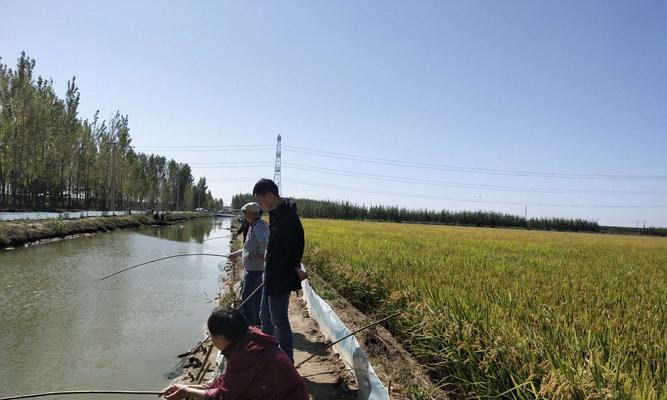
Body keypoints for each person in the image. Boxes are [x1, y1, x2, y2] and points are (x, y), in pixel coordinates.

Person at [161, 308, 308, 400]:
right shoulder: (247, 339)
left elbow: (222, 396)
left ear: (221, 338)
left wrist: (188, 391)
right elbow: (222, 384)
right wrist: (185, 387)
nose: (211, 341)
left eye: (211, 337)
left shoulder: (247, 354)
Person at [252, 179, 307, 362]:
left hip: (280, 278)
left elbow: (295, 247)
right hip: (271, 275)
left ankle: (286, 363)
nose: (259, 205)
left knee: (280, 321)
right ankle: (268, 356)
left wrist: (294, 267)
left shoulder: (288, 217)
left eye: (260, 200)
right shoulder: (276, 213)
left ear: (269, 195)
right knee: (264, 317)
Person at [227, 202, 268, 325]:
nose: (244, 215)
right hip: (252, 268)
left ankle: (250, 323)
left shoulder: (259, 226)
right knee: (254, 297)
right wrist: (235, 254)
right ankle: (256, 321)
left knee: (248, 297)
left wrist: (261, 254)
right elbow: (248, 248)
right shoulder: (253, 225)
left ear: (252, 213)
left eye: (246, 212)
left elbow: (264, 241)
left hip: (255, 270)